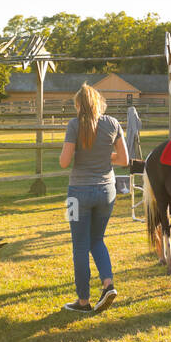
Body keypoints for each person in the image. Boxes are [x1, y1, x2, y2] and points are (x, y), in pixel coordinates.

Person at [58, 84, 128, 313]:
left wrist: (78, 152)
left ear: (79, 105)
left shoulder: (74, 125)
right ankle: (108, 285)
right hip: (107, 191)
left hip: (77, 193)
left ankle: (83, 301)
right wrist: (105, 156)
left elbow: (64, 162)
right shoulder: (113, 123)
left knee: (79, 245)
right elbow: (124, 160)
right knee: (97, 240)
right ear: (98, 103)